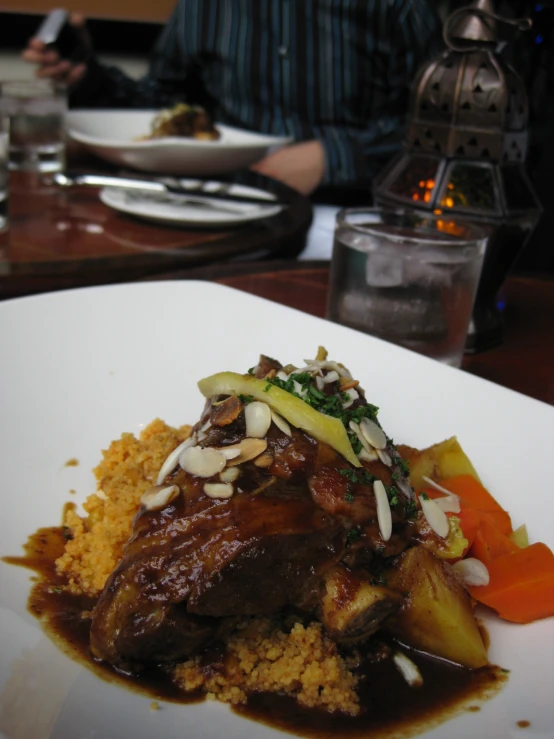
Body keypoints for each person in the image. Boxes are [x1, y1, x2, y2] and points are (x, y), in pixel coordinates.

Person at [22, 1, 442, 195]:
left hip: (343, 215)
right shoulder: (206, 6)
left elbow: (439, 131)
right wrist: (87, 78)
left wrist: (336, 157)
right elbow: (165, 107)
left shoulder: (396, 7)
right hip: (225, 203)